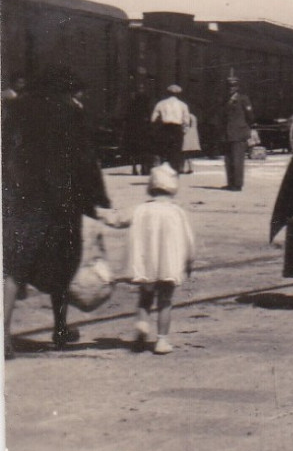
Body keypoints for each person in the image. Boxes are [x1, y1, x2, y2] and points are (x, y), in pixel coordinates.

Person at [2, 66, 118, 355]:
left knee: (15, 268)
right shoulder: (70, 111)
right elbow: (84, 158)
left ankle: (3, 334)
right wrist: (98, 200)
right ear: (67, 89)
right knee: (62, 266)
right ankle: (60, 328)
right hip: (61, 202)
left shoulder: (15, 107)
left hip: (21, 200)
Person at [124, 164, 195, 355]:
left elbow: (120, 220)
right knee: (165, 301)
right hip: (169, 264)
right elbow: (189, 240)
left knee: (145, 298)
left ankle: (142, 325)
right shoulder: (177, 212)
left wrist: (100, 214)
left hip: (146, 264)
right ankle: (162, 340)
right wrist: (189, 261)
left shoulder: (141, 209)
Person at [150, 84, 190, 173]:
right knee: (176, 152)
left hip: (165, 128)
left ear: (167, 93)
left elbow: (153, 119)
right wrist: (183, 131)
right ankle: (174, 172)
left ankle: (162, 172)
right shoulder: (183, 105)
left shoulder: (160, 104)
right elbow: (186, 121)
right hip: (177, 129)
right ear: (178, 94)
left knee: (163, 151)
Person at [222, 81, 254, 191]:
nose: (230, 88)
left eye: (233, 86)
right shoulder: (226, 100)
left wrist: (244, 128)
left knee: (237, 159)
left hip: (239, 133)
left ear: (237, 87)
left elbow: (250, 116)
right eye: (229, 86)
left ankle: (237, 184)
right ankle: (230, 183)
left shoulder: (243, 99)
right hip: (228, 133)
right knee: (228, 159)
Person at [179, 104, 201, 175]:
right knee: (189, 154)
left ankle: (181, 168)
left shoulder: (185, 117)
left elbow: (185, 127)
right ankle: (190, 168)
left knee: (183, 153)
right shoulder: (193, 117)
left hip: (186, 137)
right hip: (193, 137)